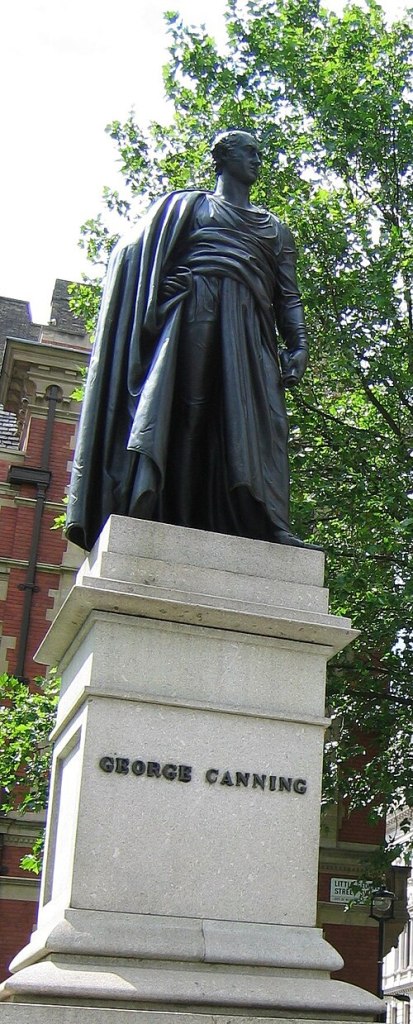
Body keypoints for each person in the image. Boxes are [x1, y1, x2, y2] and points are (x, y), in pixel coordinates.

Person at [66, 129, 315, 551]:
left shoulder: (275, 230)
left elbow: (287, 296)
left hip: (250, 333)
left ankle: (268, 522)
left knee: (259, 428)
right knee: (188, 413)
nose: (258, 160)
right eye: (249, 152)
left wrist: (299, 345)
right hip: (194, 315)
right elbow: (133, 255)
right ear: (223, 157)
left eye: (260, 153)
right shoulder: (189, 207)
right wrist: (158, 290)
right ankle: (167, 513)